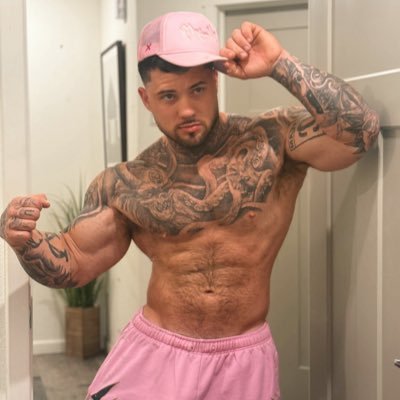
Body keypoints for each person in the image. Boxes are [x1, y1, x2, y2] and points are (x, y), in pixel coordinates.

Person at [0, 11, 379, 400]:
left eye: (198, 89)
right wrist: (24, 240)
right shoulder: (126, 183)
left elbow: (360, 131)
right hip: (155, 355)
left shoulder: (273, 142)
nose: (186, 109)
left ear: (216, 81)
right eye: (169, 95)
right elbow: (73, 263)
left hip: (243, 360)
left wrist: (279, 63)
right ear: (146, 99)